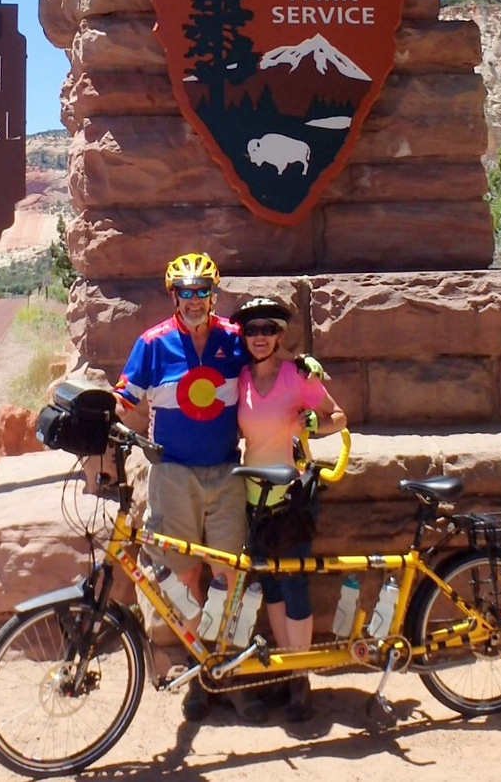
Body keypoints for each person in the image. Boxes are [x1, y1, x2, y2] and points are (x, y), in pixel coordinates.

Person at [113, 252, 261, 723]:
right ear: (173, 294)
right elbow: (123, 401)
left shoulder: (236, 340)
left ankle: (227, 671)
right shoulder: (153, 344)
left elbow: (270, 371)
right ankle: (203, 670)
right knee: (180, 576)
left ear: (213, 294)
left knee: (228, 576)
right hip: (172, 474)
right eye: (185, 292)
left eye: (202, 292)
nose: (194, 300)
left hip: (225, 472)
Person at [231, 296, 348, 722]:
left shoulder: (297, 375)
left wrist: (311, 425)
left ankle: (300, 677)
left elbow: (338, 416)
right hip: (251, 498)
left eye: (267, 329)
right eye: (252, 330)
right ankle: (285, 666)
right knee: (273, 587)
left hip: (289, 495)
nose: (259, 337)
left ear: (280, 335)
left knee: (295, 584)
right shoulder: (240, 377)